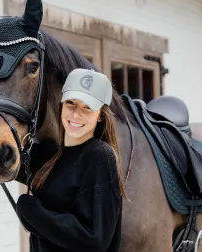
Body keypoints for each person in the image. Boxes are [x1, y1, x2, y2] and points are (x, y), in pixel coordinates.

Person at [16, 68, 126, 252]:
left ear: (100, 115)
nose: (76, 114)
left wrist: (32, 212)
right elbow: (4, 162)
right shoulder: (49, 156)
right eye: (71, 103)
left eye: (87, 107)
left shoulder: (99, 156)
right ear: (61, 105)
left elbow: (95, 240)